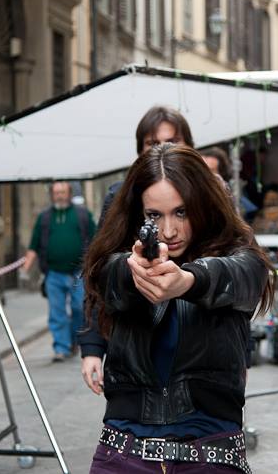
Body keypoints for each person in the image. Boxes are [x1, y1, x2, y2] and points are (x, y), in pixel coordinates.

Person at [84, 143, 273, 473]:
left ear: (202, 205)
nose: (169, 231)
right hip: (123, 450)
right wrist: (134, 272)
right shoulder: (122, 262)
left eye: (181, 212)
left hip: (209, 453)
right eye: (154, 215)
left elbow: (245, 274)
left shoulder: (236, 255)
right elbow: (105, 276)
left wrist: (189, 280)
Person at [79, 106, 194, 394]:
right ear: (140, 150)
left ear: (189, 145)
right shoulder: (120, 197)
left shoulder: (211, 193)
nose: (163, 149)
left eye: (172, 141)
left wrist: (242, 354)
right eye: (153, 143)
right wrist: (92, 347)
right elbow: (98, 274)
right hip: (136, 339)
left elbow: (236, 270)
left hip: (197, 342)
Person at [21, 181, 96, 362]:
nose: (60, 196)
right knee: (57, 313)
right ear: (52, 195)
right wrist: (25, 269)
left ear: (69, 194)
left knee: (79, 308)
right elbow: (34, 245)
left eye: (63, 192)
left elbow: (96, 240)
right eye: (56, 193)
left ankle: (74, 340)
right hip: (53, 273)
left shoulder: (82, 214)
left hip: (78, 272)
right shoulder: (45, 217)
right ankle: (61, 348)